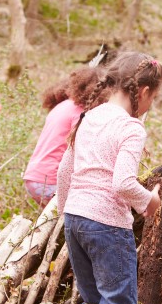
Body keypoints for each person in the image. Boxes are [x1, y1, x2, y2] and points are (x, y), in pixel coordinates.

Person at [56, 52, 162, 304]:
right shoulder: (130, 128)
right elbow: (123, 183)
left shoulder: (90, 116)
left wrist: (66, 211)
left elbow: (65, 170)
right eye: (153, 97)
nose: (150, 105)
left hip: (75, 220)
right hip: (107, 226)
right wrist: (149, 202)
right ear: (143, 92)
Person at [23, 66, 104, 206]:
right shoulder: (81, 113)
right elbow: (83, 152)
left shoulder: (63, 105)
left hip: (34, 176)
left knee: (56, 221)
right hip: (51, 180)